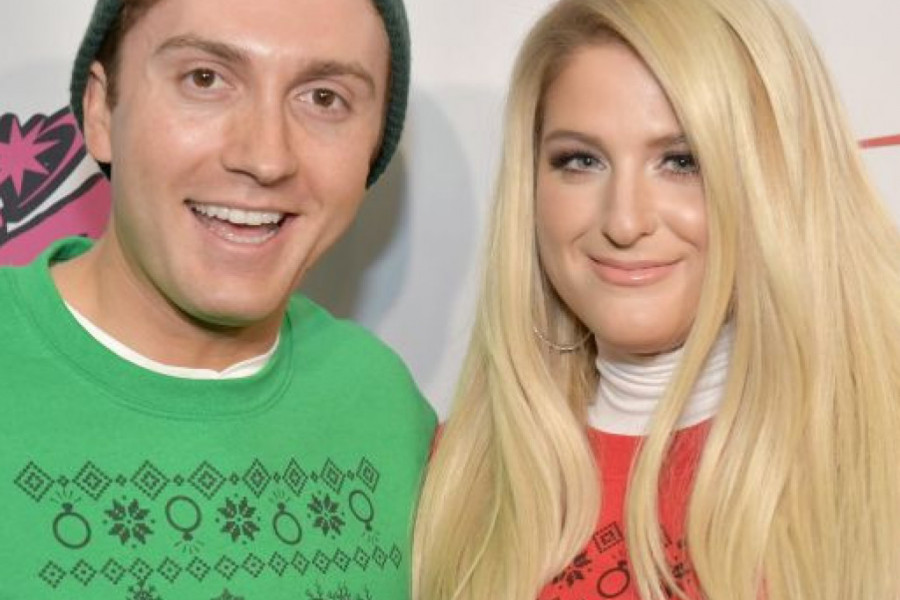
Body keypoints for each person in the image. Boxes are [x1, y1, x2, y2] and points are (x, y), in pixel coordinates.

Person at [412, 0, 900, 598]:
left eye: (681, 161)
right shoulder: (460, 478)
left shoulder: (879, 461)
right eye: (580, 160)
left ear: (777, 179)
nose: (624, 221)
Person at [0, 0, 436, 598]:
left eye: (324, 98)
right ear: (100, 110)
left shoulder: (383, 404)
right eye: (204, 79)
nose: (265, 157)